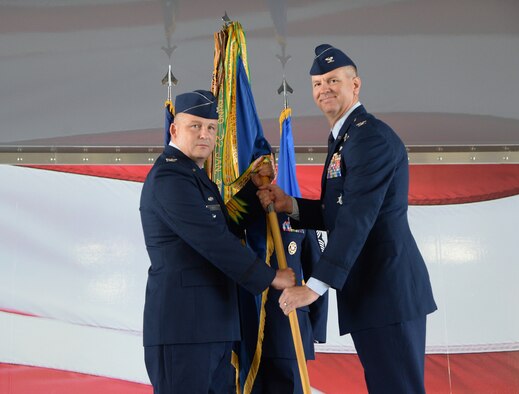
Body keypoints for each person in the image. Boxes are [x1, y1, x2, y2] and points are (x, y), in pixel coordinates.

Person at [257, 45, 437, 393]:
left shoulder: (369, 137)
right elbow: (339, 209)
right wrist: (290, 205)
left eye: (333, 80)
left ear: (356, 85)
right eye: (317, 83)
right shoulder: (346, 136)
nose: (324, 88)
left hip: (388, 291)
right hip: (373, 293)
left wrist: (313, 288)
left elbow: (358, 218)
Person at [139, 89, 296, 394]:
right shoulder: (169, 178)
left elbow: (224, 226)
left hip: (213, 326)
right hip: (184, 330)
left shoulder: (194, 177)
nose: (204, 134)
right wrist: (270, 277)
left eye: (211, 128)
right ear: (174, 129)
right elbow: (212, 241)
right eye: (194, 126)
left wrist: (253, 190)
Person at [246, 214, 328, 394]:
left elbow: (317, 270)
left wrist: (316, 329)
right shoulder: (237, 208)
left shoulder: (295, 208)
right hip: (243, 327)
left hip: (289, 329)